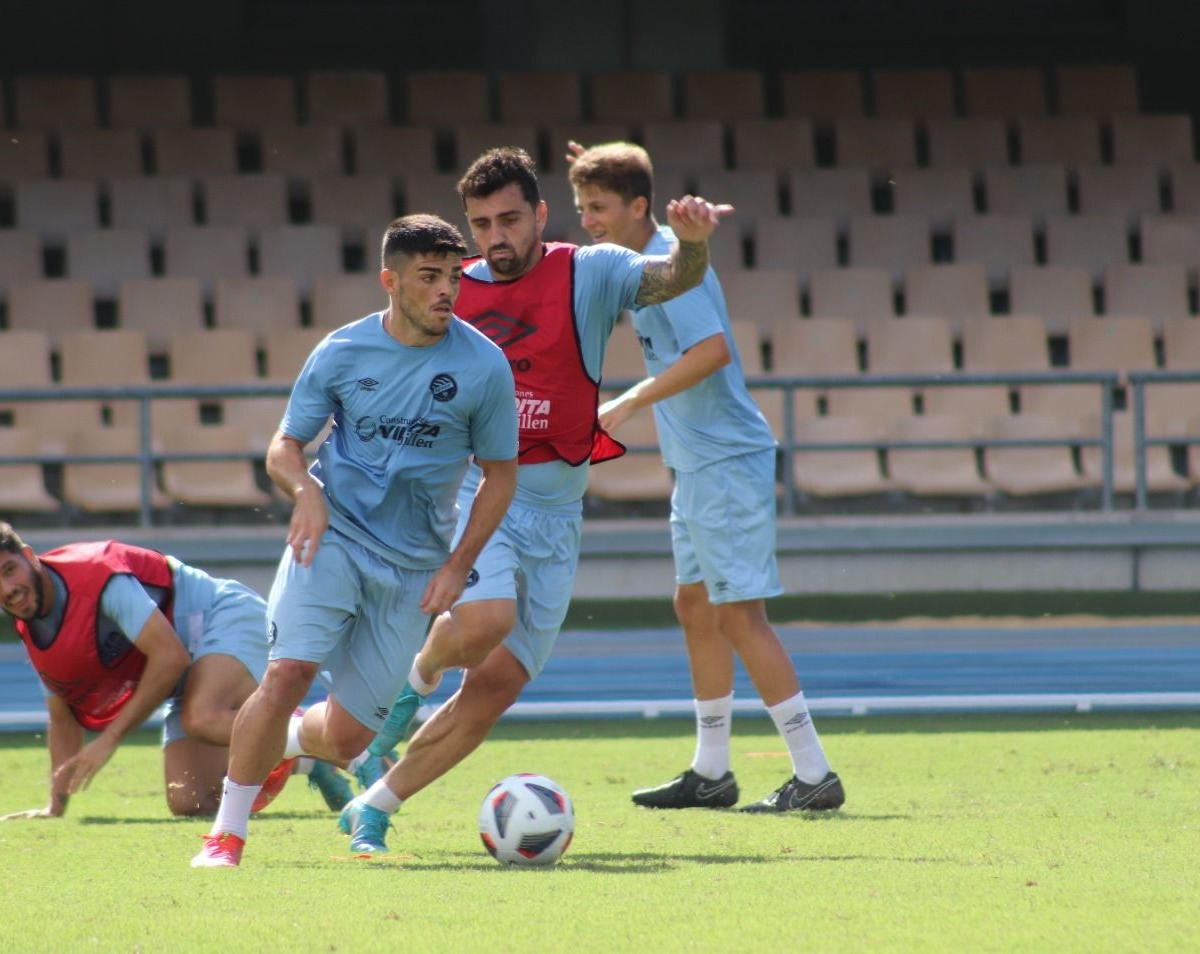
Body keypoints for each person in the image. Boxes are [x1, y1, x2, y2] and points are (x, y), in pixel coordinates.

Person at [337, 146, 728, 853]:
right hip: (475, 491)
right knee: (486, 617)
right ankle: (411, 686)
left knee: (494, 690)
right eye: (481, 223)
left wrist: (694, 247)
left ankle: (373, 806)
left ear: (541, 215)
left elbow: (673, 277)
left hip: (556, 514)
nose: (496, 237)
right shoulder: (445, 292)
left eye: (510, 219)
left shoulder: (591, 269)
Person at [191, 213, 519, 868]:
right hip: (332, 537)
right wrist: (305, 493)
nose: (445, 292)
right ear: (389, 281)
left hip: (411, 569)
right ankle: (225, 835)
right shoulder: (341, 351)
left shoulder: (484, 367)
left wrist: (460, 565)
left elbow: (500, 477)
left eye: (453, 277)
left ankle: (285, 743)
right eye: (428, 278)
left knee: (345, 741)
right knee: (287, 672)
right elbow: (283, 448)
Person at [569, 140, 844, 812]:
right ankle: (711, 772)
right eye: (580, 207)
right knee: (695, 608)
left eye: (599, 206)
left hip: (724, 461)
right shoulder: (644, 263)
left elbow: (714, 351)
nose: (587, 220)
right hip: (698, 465)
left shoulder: (668, 264)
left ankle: (814, 776)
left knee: (739, 616)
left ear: (639, 206)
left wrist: (629, 401)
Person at [0, 517, 350, 820]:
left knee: (202, 717)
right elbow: (61, 718)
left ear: (28, 556)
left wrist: (107, 741)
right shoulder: (30, 629)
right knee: (189, 800)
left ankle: (340, 739)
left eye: (9, 571)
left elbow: (170, 657)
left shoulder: (95, 573)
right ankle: (307, 758)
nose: (6, 590)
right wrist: (54, 806)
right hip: (184, 680)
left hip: (221, 617)